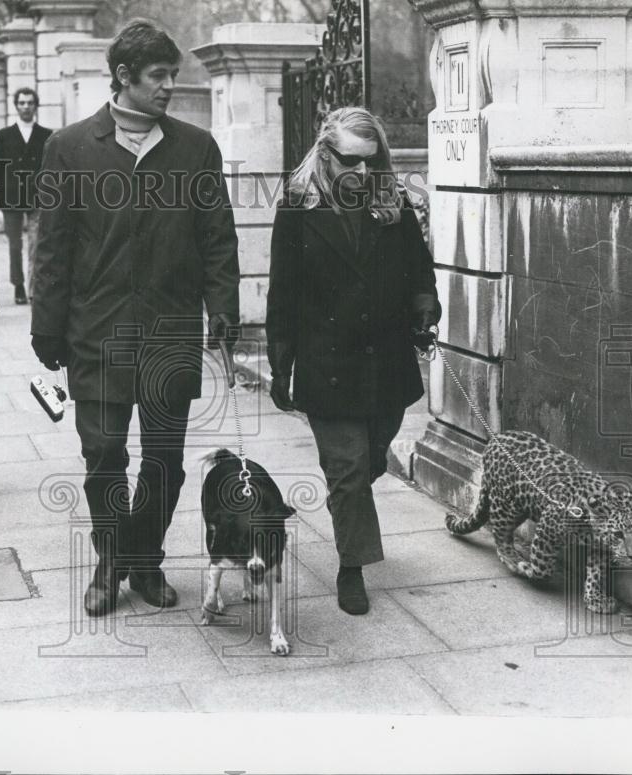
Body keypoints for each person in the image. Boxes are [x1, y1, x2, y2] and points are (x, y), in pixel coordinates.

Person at [32, 21, 240, 617]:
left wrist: (223, 307)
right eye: (158, 76)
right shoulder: (69, 147)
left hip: (170, 331)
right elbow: (51, 247)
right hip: (95, 331)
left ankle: (145, 558)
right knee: (102, 455)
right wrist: (47, 328)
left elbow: (217, 237)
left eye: (173, 75)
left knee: (165, 460)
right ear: (124, 78)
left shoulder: (196, 148)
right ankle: (109, 561)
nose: (170, 86)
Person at [266, 106, 440, 615]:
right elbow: (284, 292)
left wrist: (425, 310)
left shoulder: (392, 200)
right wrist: (281, 365)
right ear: (325, 153)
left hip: (385, 358)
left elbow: (418, 269)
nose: (362, 172)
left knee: (371, 457)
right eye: (350, 161)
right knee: (346, 467)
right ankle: (352, 567)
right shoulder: (298, 205)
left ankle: (346, 505)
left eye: (371, 161)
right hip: (327, 360)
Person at [0, 87, 52, 304]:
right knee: (15, 245)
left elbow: (51, 168)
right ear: (16, 106)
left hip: (38, 197)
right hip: (11, 198)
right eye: (22, 103)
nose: (26, 107)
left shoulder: (47, 135)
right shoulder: (4, 135)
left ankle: (34, 288)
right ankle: (18, 285)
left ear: (36, 106)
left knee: (37, 244)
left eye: (30, 103)